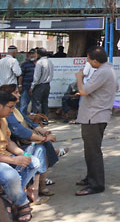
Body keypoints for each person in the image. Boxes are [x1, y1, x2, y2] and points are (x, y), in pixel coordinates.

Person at [3, 84, 64, 202]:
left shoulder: (14, 110)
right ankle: (34, 188)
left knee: (42, 149)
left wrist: (42, 131)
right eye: (15, 92)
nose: (18, 95)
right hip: (12, 150)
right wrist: (43, 138)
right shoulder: (7, 116)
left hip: (14, 149)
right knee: (41, 148)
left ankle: (37, 184)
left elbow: (27, 121)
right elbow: (20, 131)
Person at [74, 46, 118, 196]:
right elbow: (114, 88)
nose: (87, 62)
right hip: (96, 115)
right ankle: (90, 177)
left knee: (93, 152)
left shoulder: (102, 72)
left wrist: (79, 77)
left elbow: (83, 91)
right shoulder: (108, 70)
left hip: (94, 116)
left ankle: (96, 185)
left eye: (88, 59)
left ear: (94, 61)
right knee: (90, 150)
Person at [0, 91, 40, 222]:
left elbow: (8, 142)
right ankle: (22, 203)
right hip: (3, 160)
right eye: (10, 107)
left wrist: (22, 155)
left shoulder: (3, 120)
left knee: (34, 162)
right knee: (11, 176)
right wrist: (14, 160)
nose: (12, 111)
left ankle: (10, 196)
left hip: (6, 156)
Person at [30, 48, 53, 116]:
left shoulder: (39, 62)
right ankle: (45, 118)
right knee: (45, 102)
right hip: (47, 85)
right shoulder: (49, 62)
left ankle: (37, 119)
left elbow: (36, 77)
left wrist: (32, 87)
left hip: (39, 85)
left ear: (39, 54)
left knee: (36, 103)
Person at [19, 50, 36, 114]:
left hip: (36, 87)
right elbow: (21, 76)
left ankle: (33, 118)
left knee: (35, 105)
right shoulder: (25, 64)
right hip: (26, 86)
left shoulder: (39, 64)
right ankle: (22, 118)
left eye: (33, 54)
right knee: (24, 104)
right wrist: (20, 85)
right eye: (30, 54)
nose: (31, 55)